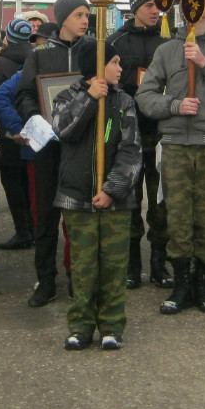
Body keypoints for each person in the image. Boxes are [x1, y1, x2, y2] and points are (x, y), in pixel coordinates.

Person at [136, 5, 205, 315]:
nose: (194, 20)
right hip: (176, 144)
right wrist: (174, 105)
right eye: (188, 14)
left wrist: (204, 62)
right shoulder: (167, 51)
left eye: (200, 14)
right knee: (178, 215)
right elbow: (145, 95)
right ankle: (181, 282)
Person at [51, 40, 141, 351]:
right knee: (83, 264)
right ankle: (80, 325)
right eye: (114, 62)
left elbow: (131, 151)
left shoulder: (125, 102)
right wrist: (90, 98)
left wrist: (112, 189)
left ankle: (112, 325)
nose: (120, 68)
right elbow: (64, 130)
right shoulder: (66, 96)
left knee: (114, 265)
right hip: (76, 198)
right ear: (96, 67)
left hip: (115, 201)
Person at [13, 0, 92, 307]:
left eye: (87, 15)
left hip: (82, 147)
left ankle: (78, 278)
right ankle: (46, 281)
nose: (85, 20)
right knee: (45, 215)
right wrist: (37, 120)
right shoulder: (40, 55)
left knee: (79, 216)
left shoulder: (93, 52)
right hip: (48, 146)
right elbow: (23, 96)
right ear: (63, 19)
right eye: (79, 15)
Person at [107, 0, 172, 289]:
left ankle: (159, 264)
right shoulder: (116, 42)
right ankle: (132, 265)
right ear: (135, 9)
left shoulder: (168, 42)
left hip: (160, 133)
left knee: (161, 202)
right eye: (149, 6)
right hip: (128, 136)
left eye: (158, 6)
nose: (155, 10)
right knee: (130, 202)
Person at [0, 18, 37, 250]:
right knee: (31, 180)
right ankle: (35, 227)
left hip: (11, 133)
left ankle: (23, 230)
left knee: (12, 181)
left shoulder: (1, 63)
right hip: (36, 129)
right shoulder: (38, 58)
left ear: (7, 38)